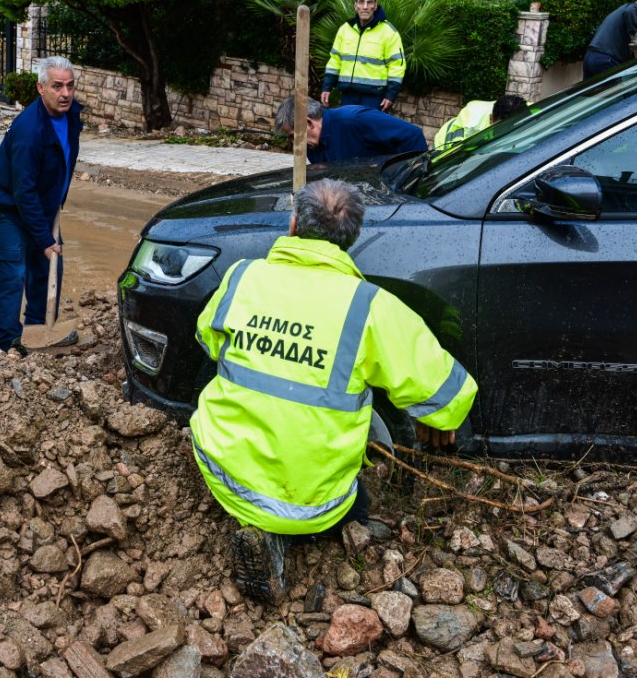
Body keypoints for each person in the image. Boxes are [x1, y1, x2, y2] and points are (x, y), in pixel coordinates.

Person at [190, 178, 478, 603]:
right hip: (316, 504)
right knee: (356, 506)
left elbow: (208, 340)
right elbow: (446, 392)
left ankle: (260, 527)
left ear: (293, 225)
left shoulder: (243, 276)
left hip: (224, 473)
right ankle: (294, 535)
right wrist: (440, 418)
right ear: (352, 238)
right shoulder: (371, 306)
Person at [0, 56, 82, 354]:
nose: (65, 93)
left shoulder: (71, 115)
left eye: (70, 86)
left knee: (49, 268)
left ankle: (38, 330)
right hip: (8, 208)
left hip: (43, 205)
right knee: (13, 273)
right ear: (41, 88)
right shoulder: (29, 131)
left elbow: (62, 163)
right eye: (57, 86)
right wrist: (44, 238)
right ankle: (9, 343)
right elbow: (23, 191)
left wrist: (54, 206)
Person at [320, 0, 406, 111]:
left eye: (369, 2)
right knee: (346, 124)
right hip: (347, 95)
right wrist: (327, 87)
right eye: (361, 2)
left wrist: (390, 95)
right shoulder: (345, 29)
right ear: (355, 6)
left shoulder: (389, 32)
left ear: (375, 6)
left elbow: (397, 65)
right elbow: (335, 60)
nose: (365, 7)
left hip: (373, 98)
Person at [275, 96, 427, 164]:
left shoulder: (355, 119)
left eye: (293, 136)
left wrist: (414, 174)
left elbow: (412, 135)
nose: (294, 143)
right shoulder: (312, 146)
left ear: (308, 122)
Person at [583, 0, 637, 79]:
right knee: (617, 87)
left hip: (590, 57)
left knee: (589, 88)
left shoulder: (623, 8)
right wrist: (635, 36)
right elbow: (630, 11)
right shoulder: (635, 8)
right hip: (604, 60)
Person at [432, 94, 528, 150]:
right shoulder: (470, 124)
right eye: (502, 128)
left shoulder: (528, 112)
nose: (508, 132)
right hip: (444, 147)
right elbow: (454, 155)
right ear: (491, 119)